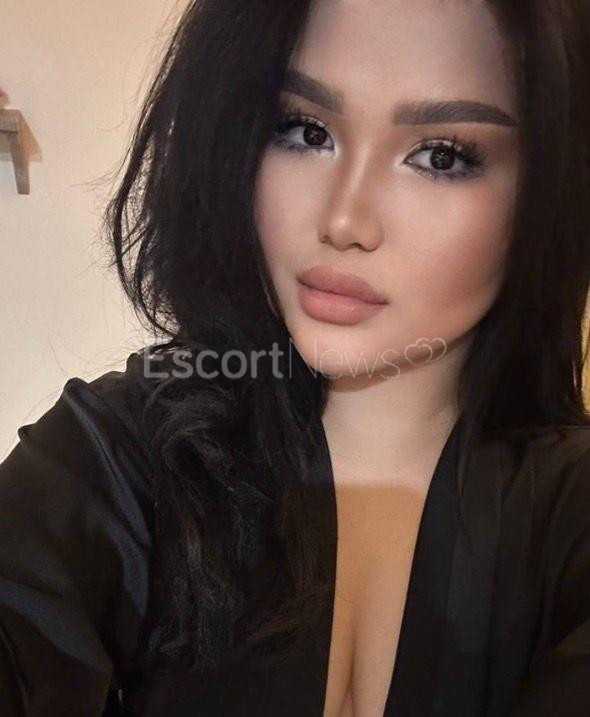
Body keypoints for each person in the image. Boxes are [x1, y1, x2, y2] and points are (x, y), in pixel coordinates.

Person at [2, 0, 590, 715]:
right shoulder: (124, 452)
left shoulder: (571, 517)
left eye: (442, 156)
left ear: (550, 192)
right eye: (306, 131)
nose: (344, 220)